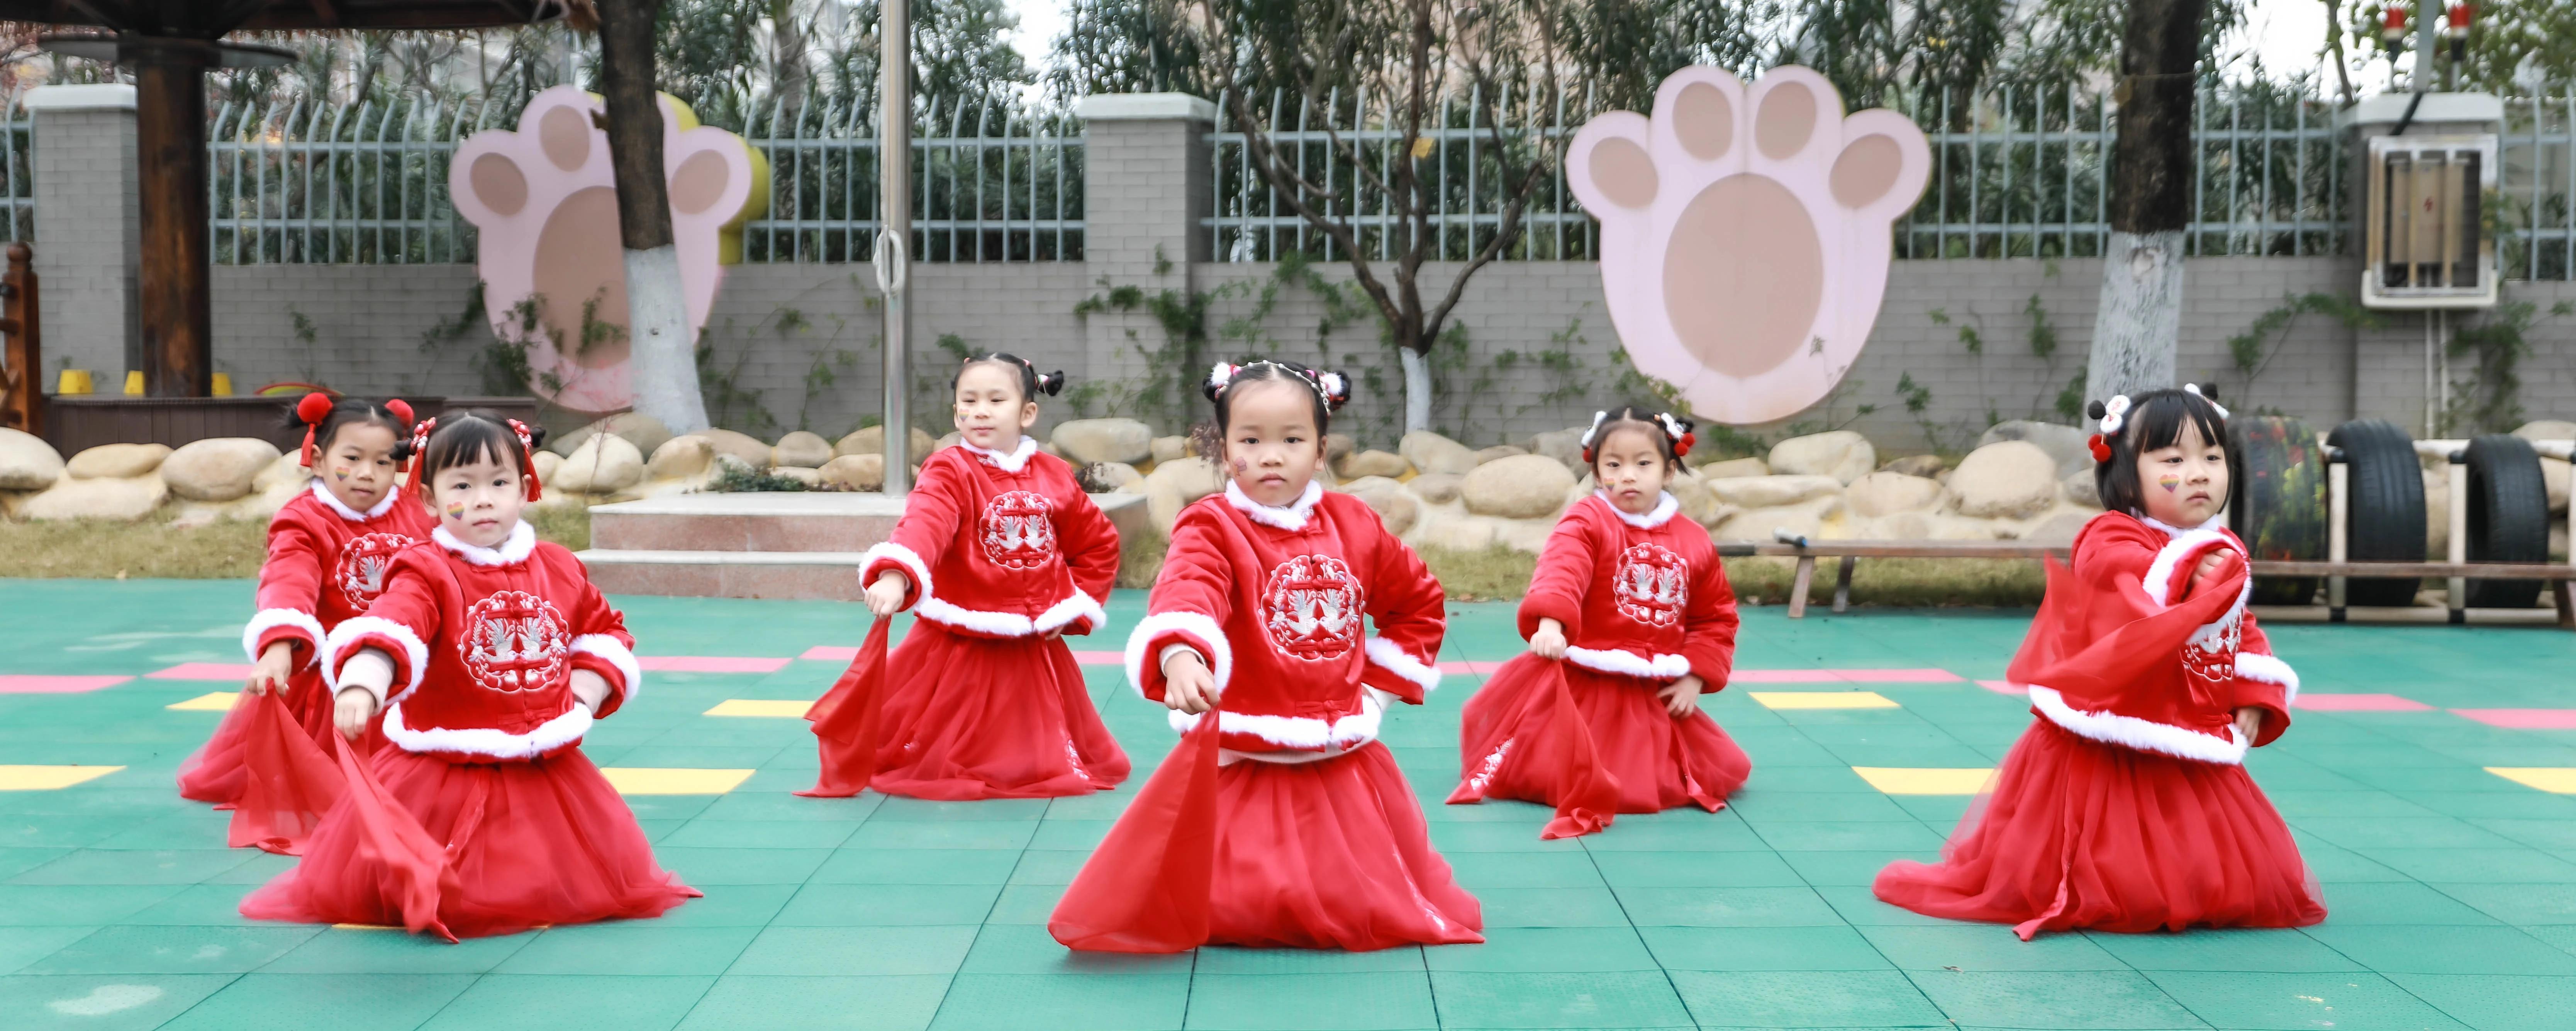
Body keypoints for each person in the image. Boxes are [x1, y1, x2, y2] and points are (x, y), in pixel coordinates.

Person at [1050, 360, 1480, 952]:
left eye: (1292, 440)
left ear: (1321, 450)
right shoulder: (1212, 525)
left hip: (1340, 750)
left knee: (1355, 893)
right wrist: (1180, 651)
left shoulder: (1355, 524)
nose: (1271, 455)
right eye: (1251, 440)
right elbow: (1188, 587)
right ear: (1225, 452)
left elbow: (1418, 604)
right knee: (1237, 895)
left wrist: (1376, 693)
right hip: (1247, 748)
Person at [1872, 384, 2324, 939]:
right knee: (2106, 840)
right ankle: (2115, 885)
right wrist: (2186, 569)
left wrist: (2253, 692)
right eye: (2173, 459)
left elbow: (2238, 628)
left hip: (2184, 720)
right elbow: (2121, 573)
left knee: (2191, 830)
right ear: (2126, 473)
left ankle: (2179, 882)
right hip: (2103, 731)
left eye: (2211, 457)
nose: (2200, 473)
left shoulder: (2219, 547)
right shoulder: (2111, 534)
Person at [240, 411, 695, 939]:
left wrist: (585, 693)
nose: (482, 499)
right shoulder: (426, 568)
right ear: (430, 500)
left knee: (544, 853)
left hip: (545, 756)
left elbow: (602, 632)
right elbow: (393, 621)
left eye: (498, 483)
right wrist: (364, 680)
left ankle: (530, 886)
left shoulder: (559, 566)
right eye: (461, 485)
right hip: (446, 760)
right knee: (463, 864)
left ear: (525, 489)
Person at [1449, 406, 1749, 837]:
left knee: (1686, 771)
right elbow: (1563, 568)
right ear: (1596, 472)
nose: (1627, 475)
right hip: (1582, 680)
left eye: (1643, 463)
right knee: (1553, 769)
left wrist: (1695, 676)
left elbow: (1715, 615)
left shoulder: (1693, 541)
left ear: (1668, 471)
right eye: (1613, 464)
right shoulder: (1587, 520)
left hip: (1651, 689)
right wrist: (1551, 623)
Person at [850, 353, 1128, 799]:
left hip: (1033, 639)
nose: (980, 410)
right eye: (969, 400)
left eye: (996, 399)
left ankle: (1022, 760)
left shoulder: (1054, 475)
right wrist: (896, 572)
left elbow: (1097, 543)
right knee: (954, 727)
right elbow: (927, 521)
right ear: (955, 410)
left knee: (1029, 729)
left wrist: (1072, 603)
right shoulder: (950, 469)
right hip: (964, 634)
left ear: (1027, 412)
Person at [178, 393, 431, 808]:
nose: (367, 474)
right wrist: (279, 643)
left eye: (384, 462)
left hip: (404, 666)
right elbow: (289, 578)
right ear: (317, 459)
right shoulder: (305, 519)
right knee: (340, 793)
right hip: (334, 671)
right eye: (352, 458)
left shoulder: (416, 513)